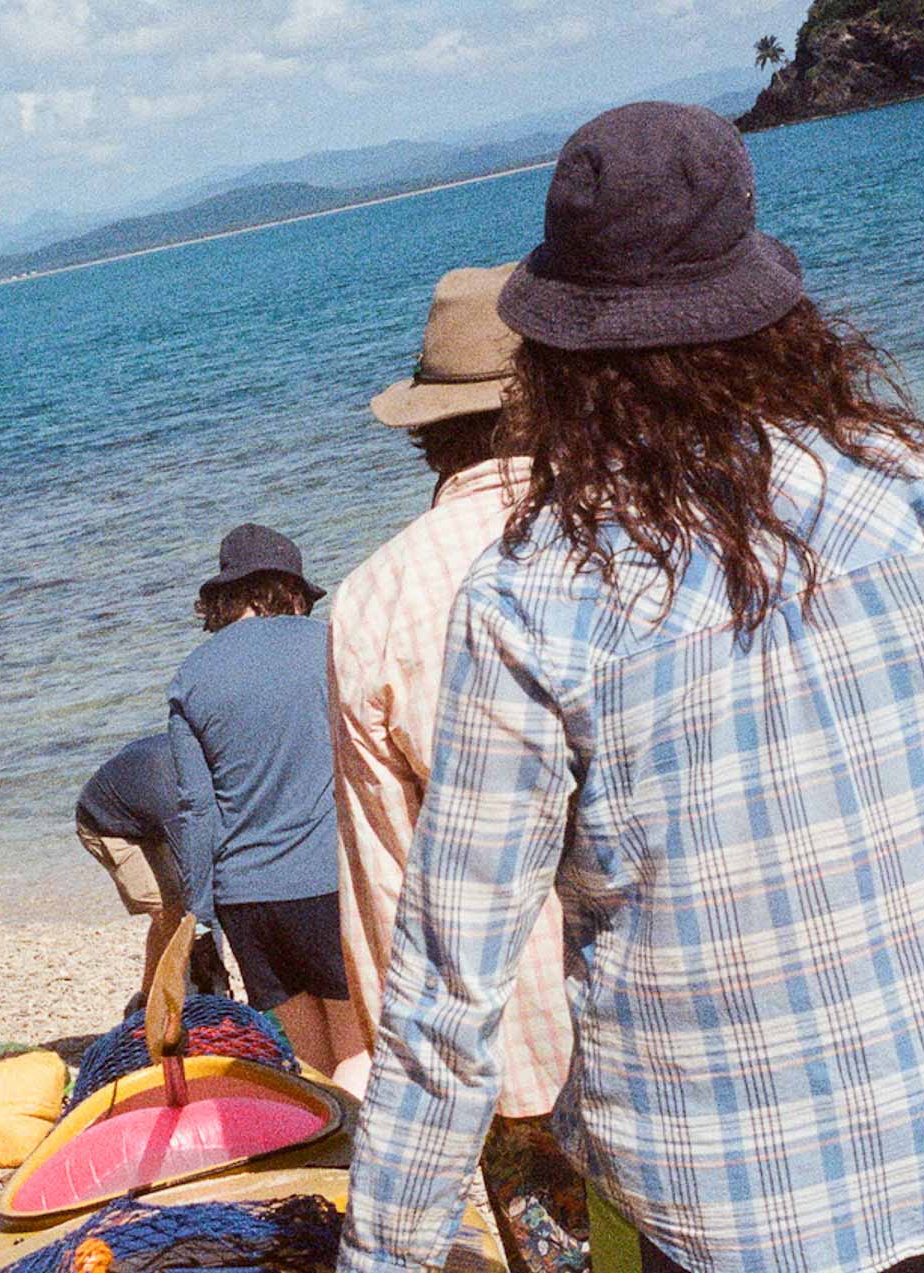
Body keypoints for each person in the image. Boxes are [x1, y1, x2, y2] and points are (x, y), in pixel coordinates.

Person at [340, 102, 924, 1273]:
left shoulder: (532, 596)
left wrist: (385, 1252)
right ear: (763, 311)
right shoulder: (910, 492)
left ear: (559, 361)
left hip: (708, 1215)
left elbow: (451, 982)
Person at [330, 263, 589, 1271]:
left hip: (511, 1060)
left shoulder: (373, 601)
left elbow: (387, 897)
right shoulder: (655, 527)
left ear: (429, 427)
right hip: (695, 1020)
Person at [169, 524, 363, 1080]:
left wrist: (201, 912)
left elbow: (195, 811)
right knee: (359, 1049)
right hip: (327, 883)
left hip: (248, 902)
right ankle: (355, 1165)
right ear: (288, 590)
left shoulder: (191, 678)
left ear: (227, 598)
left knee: (308, 1059)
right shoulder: (324, 645)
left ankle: (324, 1159)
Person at [76, 733, 232, 1005]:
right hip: (105, 824)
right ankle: (159, 1003)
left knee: (185, 906)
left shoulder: (202, 755)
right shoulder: (175, 795)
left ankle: (164, 995)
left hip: (143, 811)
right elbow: (197, 878)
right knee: (171, 914)